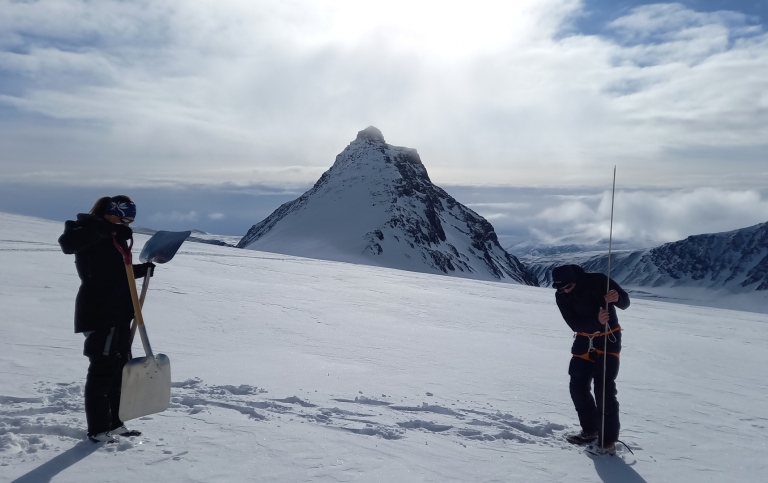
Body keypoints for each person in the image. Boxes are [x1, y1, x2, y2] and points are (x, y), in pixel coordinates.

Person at [58, 195, 154, 443]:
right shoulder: (87, 229)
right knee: (103, 371)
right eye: (124, 217)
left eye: (131, 219)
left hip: (120, 312)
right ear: (112, 213)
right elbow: (68, 244)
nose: (127, 222)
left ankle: (114, 423)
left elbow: (116, 273)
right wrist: (103, 228)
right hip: (100, 313)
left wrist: (143, 270)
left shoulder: (114, 239)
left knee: (118, 371)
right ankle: (99, 429)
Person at [552, 264, 630, 456]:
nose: (564, 291)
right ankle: (590, 430)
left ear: (575, 280)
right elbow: (573, 323)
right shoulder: (561, 295)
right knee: (577, 385)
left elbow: (625, 302)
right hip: (583, 340)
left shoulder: (599, 280)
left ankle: (607, 441)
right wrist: (596, 322)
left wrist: (617, 298)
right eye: (560, 288)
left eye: (567, 287)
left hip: (608, 339)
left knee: (604, 387)